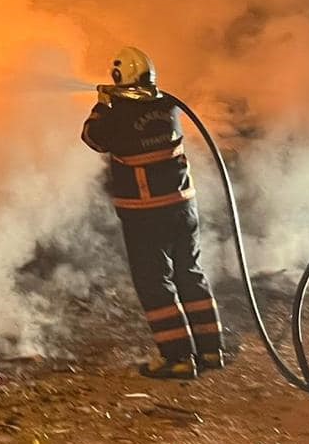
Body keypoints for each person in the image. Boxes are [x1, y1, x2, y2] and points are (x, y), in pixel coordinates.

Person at [81, 47, 224, 380]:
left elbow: (92, 137)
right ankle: (210, 349)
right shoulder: (168, 105)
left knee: (154, 282)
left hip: (146, 214)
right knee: (190, 271)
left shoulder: (118, 115)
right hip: (183, 207)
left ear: (119, 77)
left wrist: (102, 104)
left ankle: (177, 358)